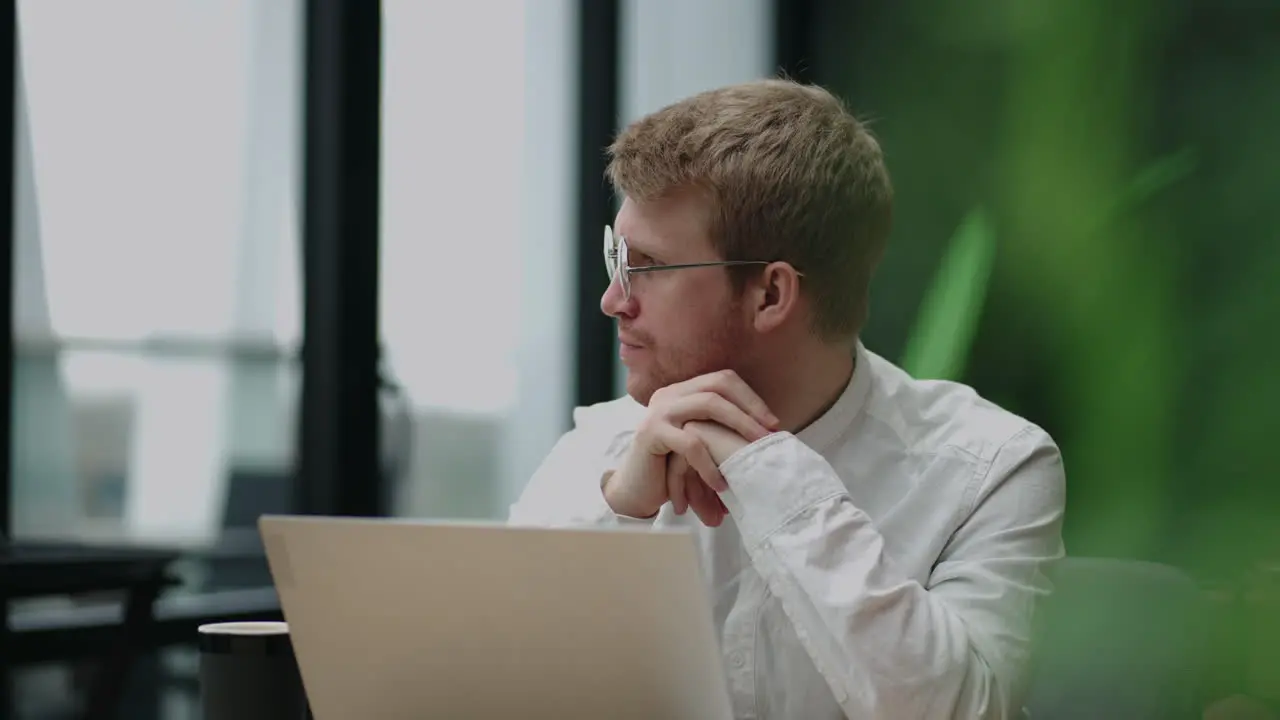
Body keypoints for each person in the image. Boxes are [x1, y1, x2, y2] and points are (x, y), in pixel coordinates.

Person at [509, 78, 1065, 719]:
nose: (614, 300)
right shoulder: (602, 449)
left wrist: (773, 476)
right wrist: (619, 512)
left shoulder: (992, 468)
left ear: (771, 295)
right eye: (617, 258)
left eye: (648, 267)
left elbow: (962, 713)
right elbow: (492, 688)